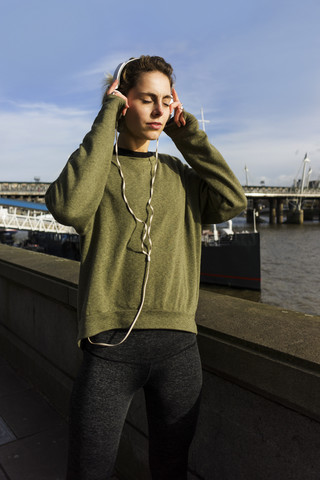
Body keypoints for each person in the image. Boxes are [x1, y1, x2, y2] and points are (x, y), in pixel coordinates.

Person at [45, 55, 247, 480]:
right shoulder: (97, 174)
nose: (159, 110)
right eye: (146, 99)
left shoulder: (179, 175)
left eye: (167, 100)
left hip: (178, 352)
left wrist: (188, 133)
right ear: (123, 102)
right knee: (88, 469)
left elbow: (232, 200)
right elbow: (67, 206)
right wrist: (106, 116)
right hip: (110, 350)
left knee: (171, 469)